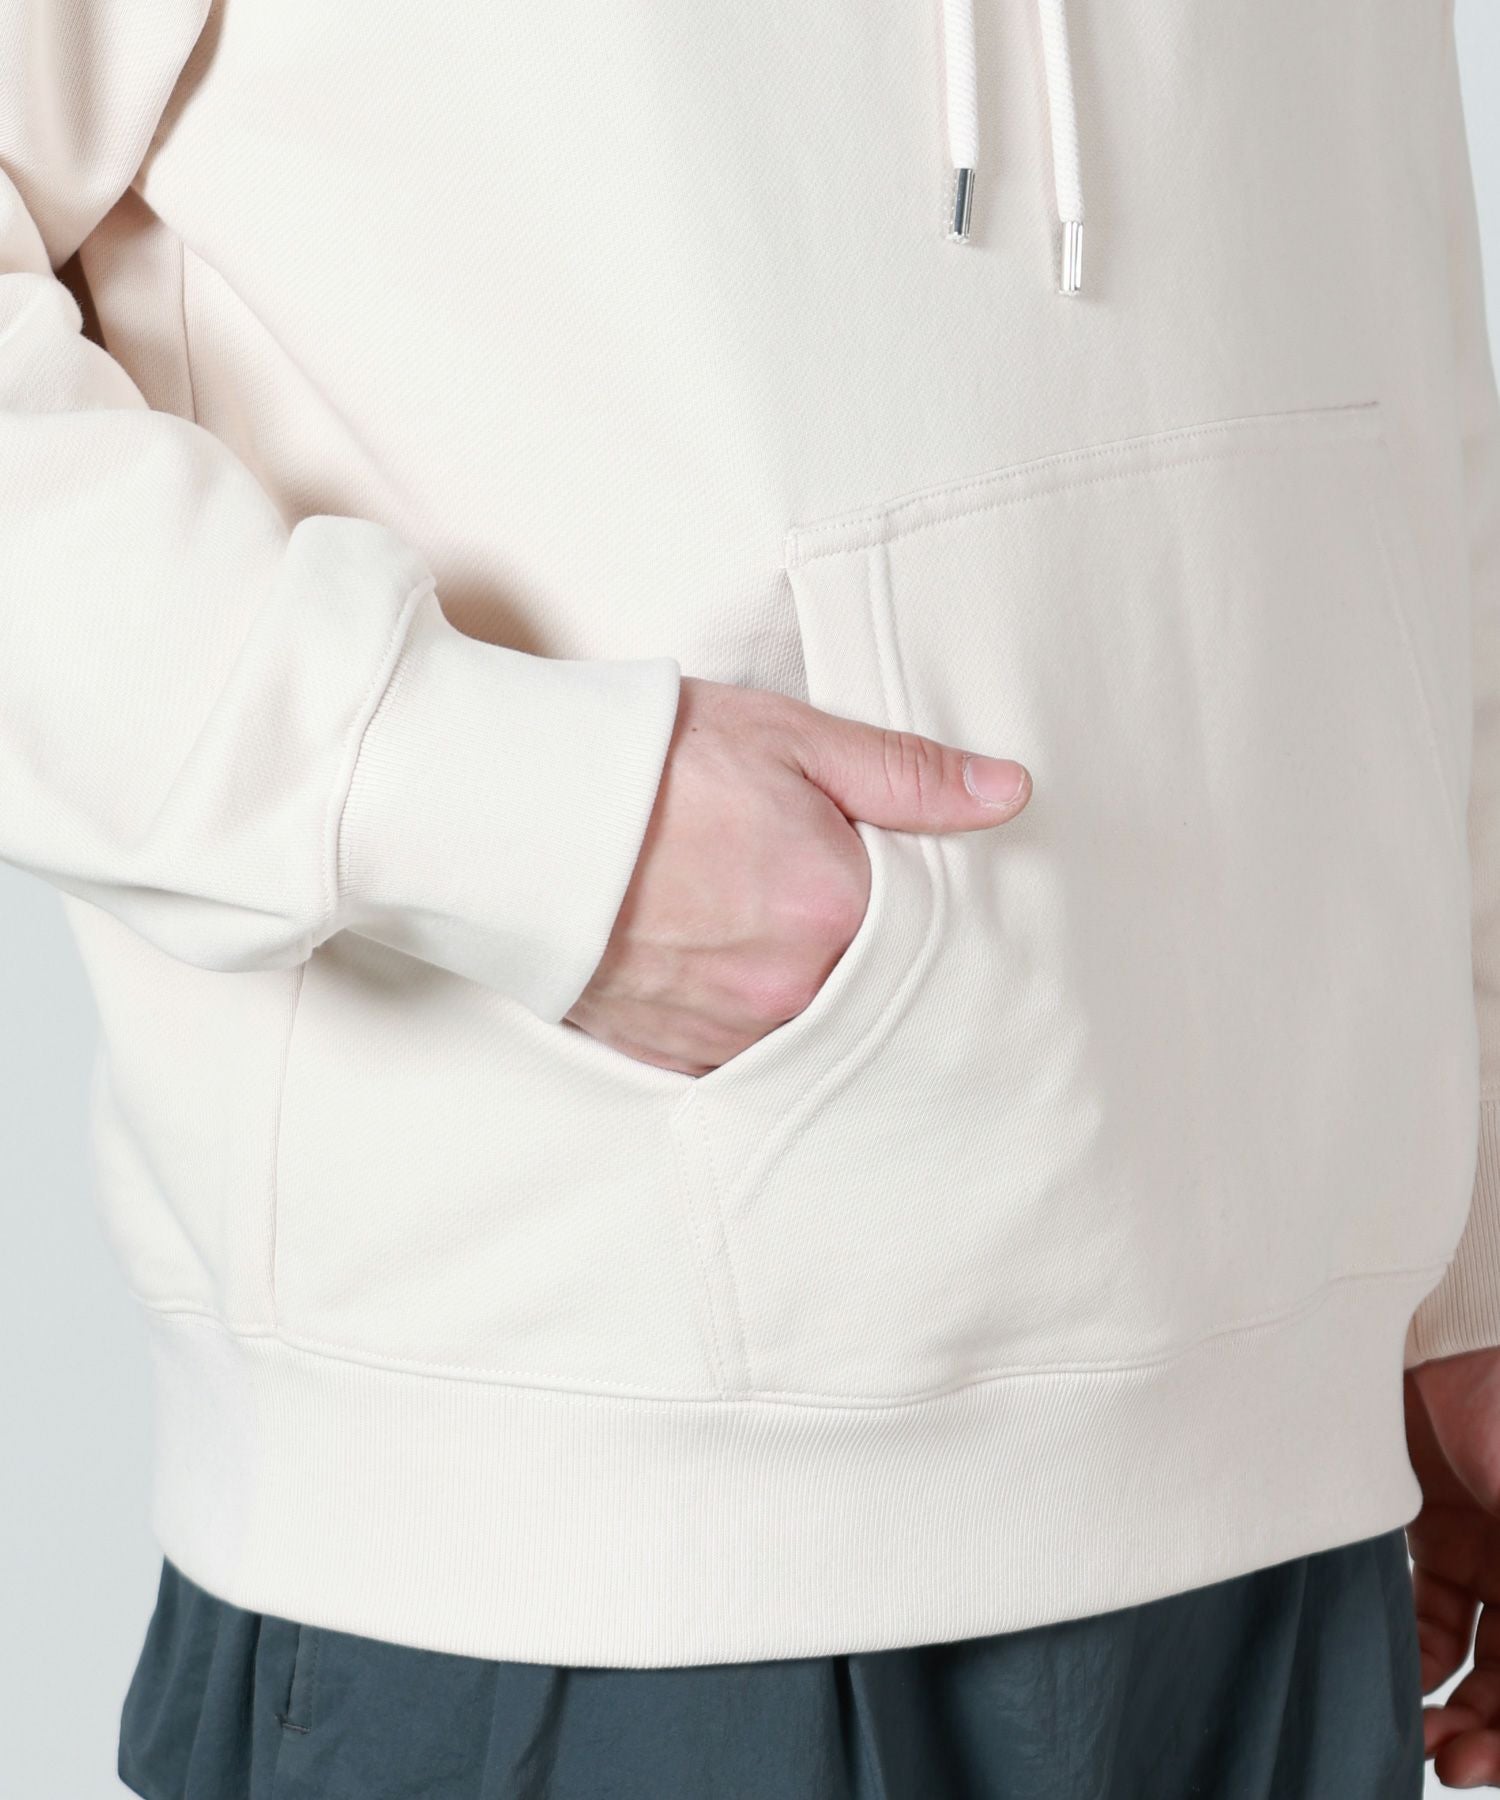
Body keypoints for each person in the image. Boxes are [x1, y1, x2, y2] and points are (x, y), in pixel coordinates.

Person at [4, 0, 1498, 1793]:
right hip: (603, 1528)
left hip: (1288, 1483)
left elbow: (1385, 318)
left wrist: (1459, 1272)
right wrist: (506, 817)